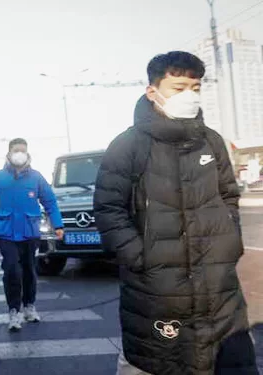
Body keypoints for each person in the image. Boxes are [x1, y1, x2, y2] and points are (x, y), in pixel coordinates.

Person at [94, 51, 258, 374]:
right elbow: (108, 209)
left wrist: (229, 240)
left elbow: (229, 195)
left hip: (219, 290)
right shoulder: (128, 146)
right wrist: (141, 257)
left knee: (230, 360)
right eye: (179, 87)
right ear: (152, 92)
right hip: (157, 292)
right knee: (157, 362)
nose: (189, 96)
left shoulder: (211, 142)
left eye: (195, 88)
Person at [0, 138, 64, 332]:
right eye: (16, 150)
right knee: (12, 270)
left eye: (22, 150)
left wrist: (58, 225)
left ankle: (29, 306)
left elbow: (50, 201)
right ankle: (14, 310)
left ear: (28, 153)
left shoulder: (36, 178)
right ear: (9, 153)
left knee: (30, 269)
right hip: (6, 234)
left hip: (30, 233)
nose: (19, 154)